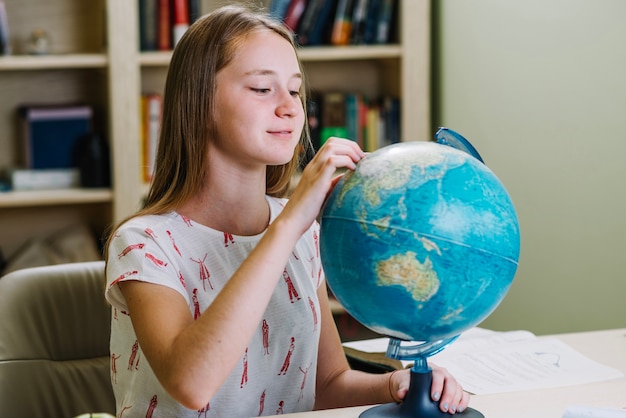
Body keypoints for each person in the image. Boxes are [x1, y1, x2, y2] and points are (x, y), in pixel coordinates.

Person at [104, 4, 470, 417]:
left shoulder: (302, 233)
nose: (290, 107)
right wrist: (292, 220)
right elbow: (191, 384)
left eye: (294, 90)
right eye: (263, 89)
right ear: (200, 100)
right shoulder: (144, 243)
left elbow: (327, 385)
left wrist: (394, 384)